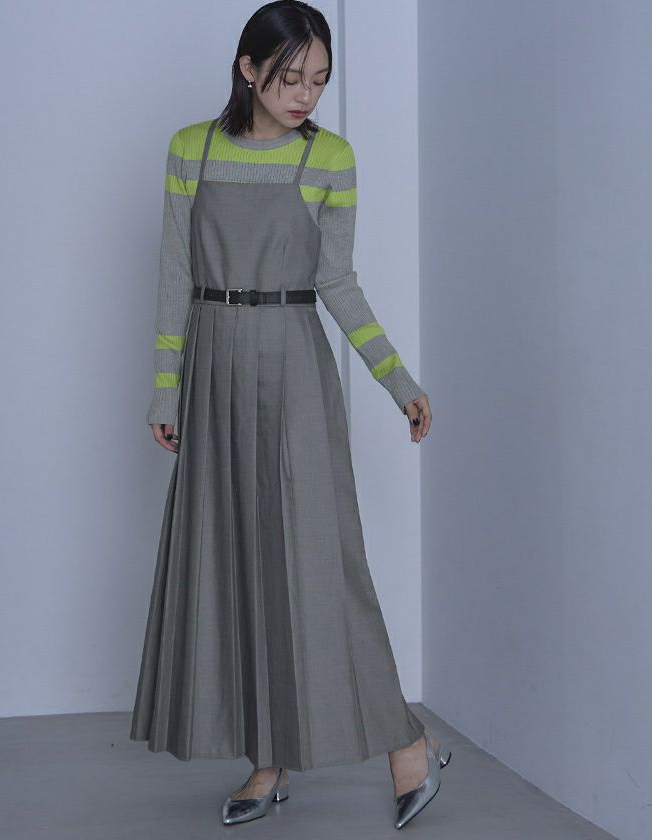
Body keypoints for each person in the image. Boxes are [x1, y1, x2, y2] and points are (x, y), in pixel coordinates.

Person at [129, 0, 451, 829]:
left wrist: (397, 379)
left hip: (294, 368)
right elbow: (175, 274)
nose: (305, 95)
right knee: (236, 563)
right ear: (248, 69)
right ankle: (266, 763)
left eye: (319, 80)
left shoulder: (330, 158)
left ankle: (406, 743)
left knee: (317, 564)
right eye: (289, 77)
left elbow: (337, 281)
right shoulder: (191, 149)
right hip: (213, 363)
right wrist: (165, 388)